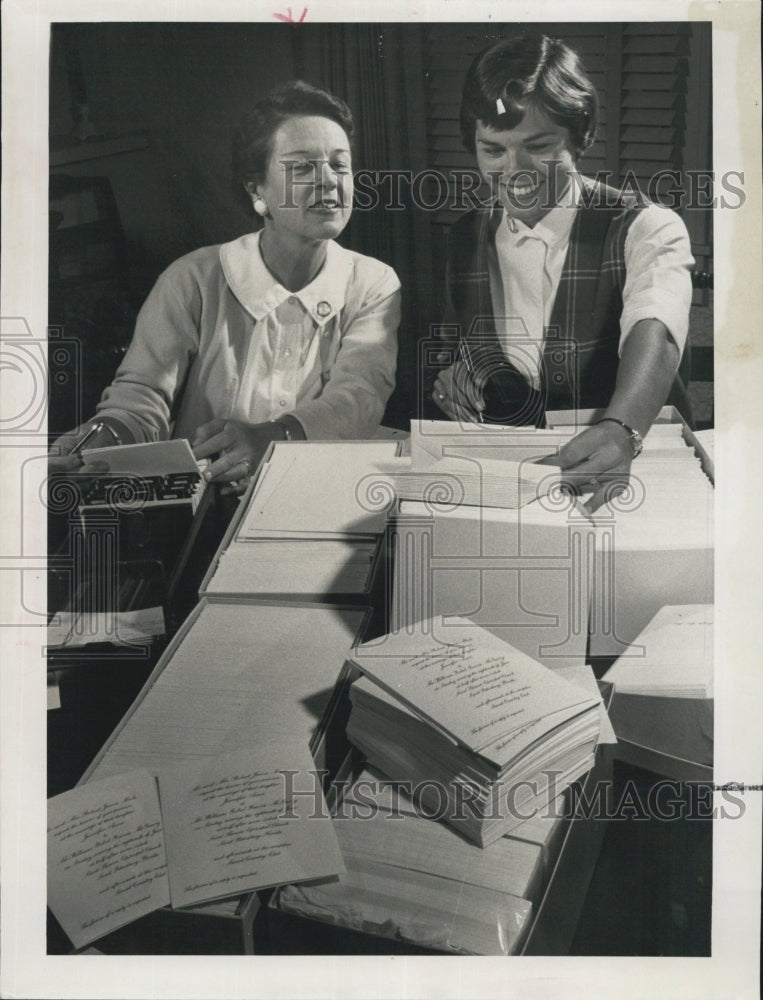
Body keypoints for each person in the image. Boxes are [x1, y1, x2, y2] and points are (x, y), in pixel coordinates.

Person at [50, 80, 400, 495]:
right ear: (257, 189)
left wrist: (275, 436)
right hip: (204, 503)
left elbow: (358, 397)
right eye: (302, 167)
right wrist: (102, 439)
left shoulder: (373, 283)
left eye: (340, 165)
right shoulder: (193, 279)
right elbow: (142, 398)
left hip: (318, 494)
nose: (329, 181)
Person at [432, 34, 694, 512]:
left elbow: (656, 328)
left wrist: (623, 428)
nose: (515, 171)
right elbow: (466, 354)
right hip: (520, 478)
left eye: (538, 146)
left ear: (581, 137)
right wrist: (456, 378)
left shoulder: (647, 226)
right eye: (493, 150)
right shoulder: (464, 236)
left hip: (632, 466)